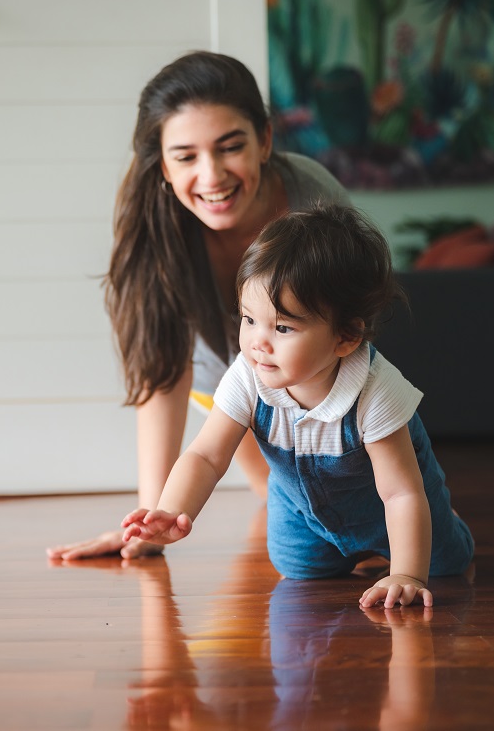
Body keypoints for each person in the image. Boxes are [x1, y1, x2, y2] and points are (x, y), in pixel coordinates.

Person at [46, 51, 349, 560]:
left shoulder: (315, 203)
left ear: (265, 140)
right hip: (223, 386)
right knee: (278, 499)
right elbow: (162, 373)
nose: (211, 177)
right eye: (185, 156)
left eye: (230, 148)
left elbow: (349, 347)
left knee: (331, 511)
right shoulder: (154, 224)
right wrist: (150, 521)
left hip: (312, 380)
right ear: (162, 164)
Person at [121, 204, 474, 608]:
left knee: (446, 562)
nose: (258, 342)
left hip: (388, 506)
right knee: (298, 571)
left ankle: (443, 525)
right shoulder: (249, 374)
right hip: (303, 510)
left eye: (283, 327)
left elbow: (399, 495)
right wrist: (171, 510)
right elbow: (205, 455)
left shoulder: (376, 390)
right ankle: (336, 550)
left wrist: (407, 573)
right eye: (248, 319)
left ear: (346, 337)